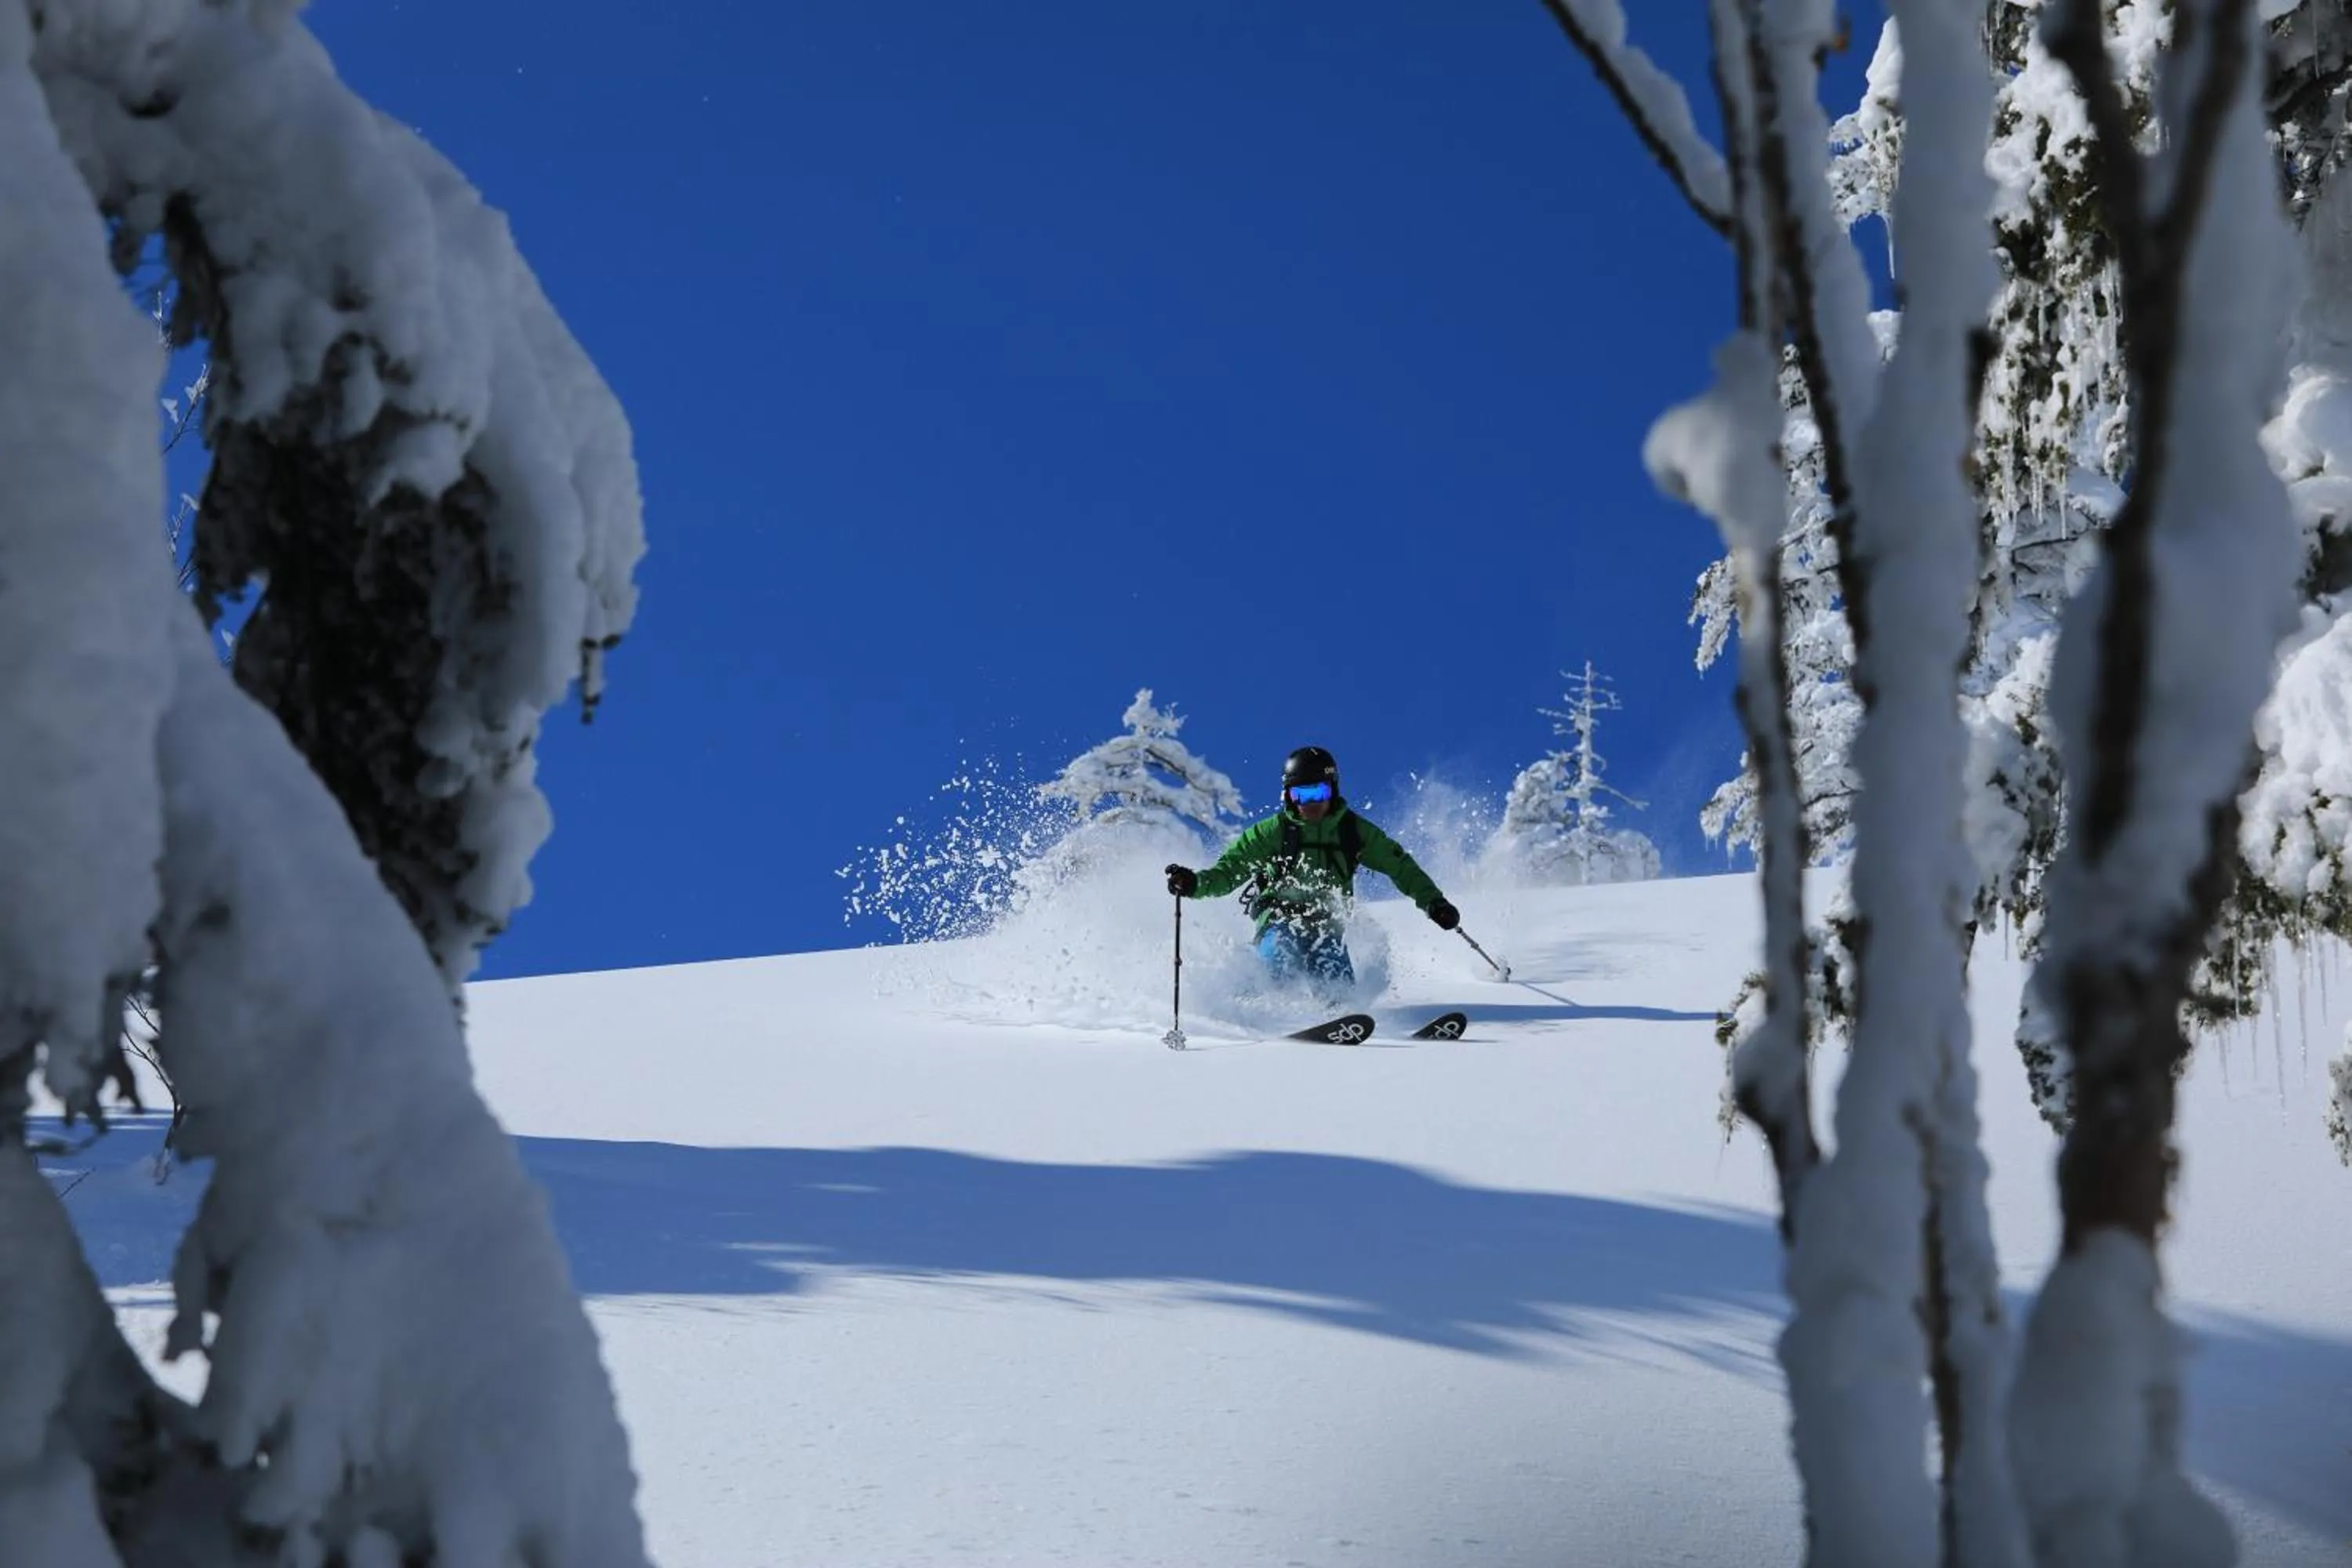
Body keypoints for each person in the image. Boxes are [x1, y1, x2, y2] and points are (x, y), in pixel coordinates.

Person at [1163, 746, 1459, 992]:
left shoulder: (1353, 831)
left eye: (1318, 793)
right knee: (1280, 954)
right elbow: (1230, 870)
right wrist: (1195, 884)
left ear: (1332, 790)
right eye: (1300, 796)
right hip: (1279, 920)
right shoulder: (1273, 832)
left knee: (1333, 969)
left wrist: (1433, 902)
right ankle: (1256, 1012)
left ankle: (1339, 1017)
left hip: (1327, 925)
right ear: (1288, 797)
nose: (1310, 804)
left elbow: (1400, 866)